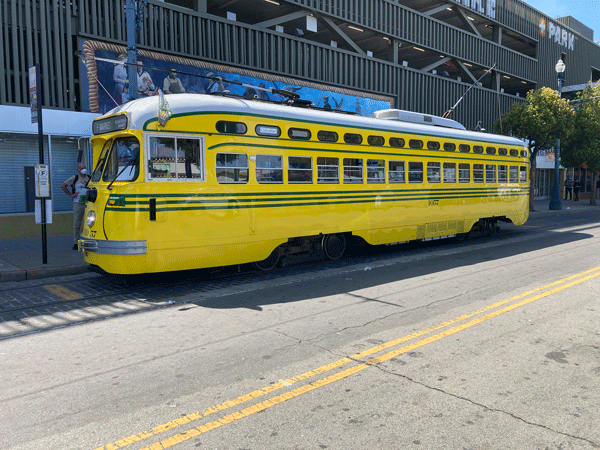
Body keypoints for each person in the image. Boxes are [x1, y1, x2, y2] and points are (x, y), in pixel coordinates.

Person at [61, 163, 90, 250]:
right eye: (82, 168)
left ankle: (88, 240)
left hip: (88, 203)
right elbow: (63, 186)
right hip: (78, 203)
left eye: (85, 167)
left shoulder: (90, 178)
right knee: (77, 223)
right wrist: (71, 195)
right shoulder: (75, 178)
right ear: (78, 169)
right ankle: (76, 242)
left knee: (89, 222)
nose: (84, 169)